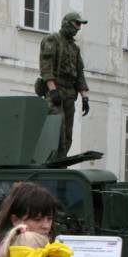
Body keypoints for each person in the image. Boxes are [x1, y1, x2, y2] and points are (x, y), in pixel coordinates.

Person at [39, 11, 90, 159]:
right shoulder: (52, 40)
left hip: (69, 94)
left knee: (67, 134)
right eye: (77, 23)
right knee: (57, 130)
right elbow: (46, 68)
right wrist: (53, 91)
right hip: (55, 90)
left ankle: (61, 161)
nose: (79, 28)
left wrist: (85, 98)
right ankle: (53, 161)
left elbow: (80, 74)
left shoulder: (74, 48)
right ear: (67, 23)